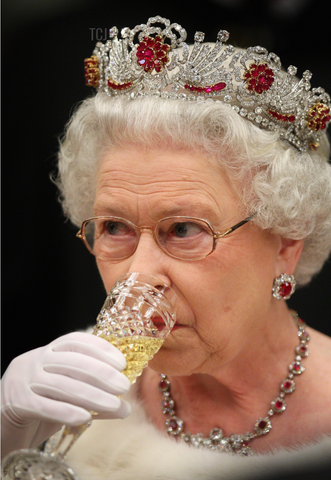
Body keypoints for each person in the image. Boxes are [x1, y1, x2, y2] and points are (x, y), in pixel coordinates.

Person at [2, 15, 331, 480]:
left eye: (182, 230)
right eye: (115, 227)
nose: (138, 274)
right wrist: (9, 441)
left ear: (286, 242)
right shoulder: (71, 390)